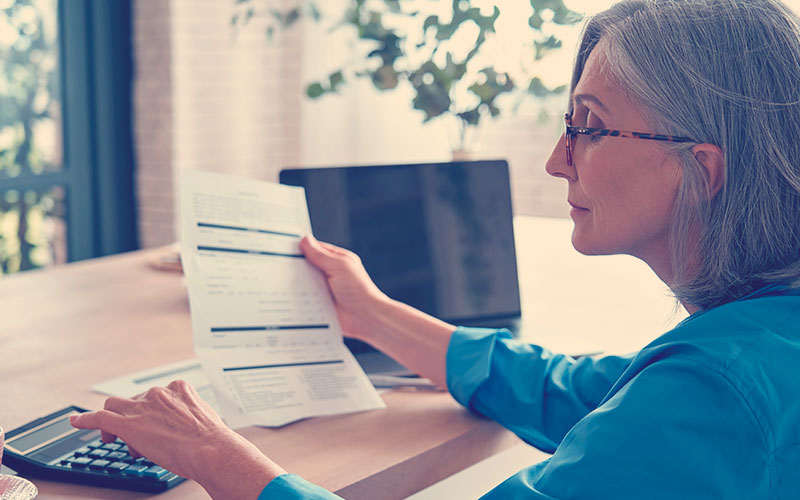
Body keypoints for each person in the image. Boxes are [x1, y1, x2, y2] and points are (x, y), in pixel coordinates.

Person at [71, 0, 800, 498]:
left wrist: (214, 455)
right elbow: (579, 392)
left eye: (590, 125)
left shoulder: (716, 392)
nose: (556, 158)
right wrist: (375, 315)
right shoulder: (759, 343)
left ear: (700, 171)